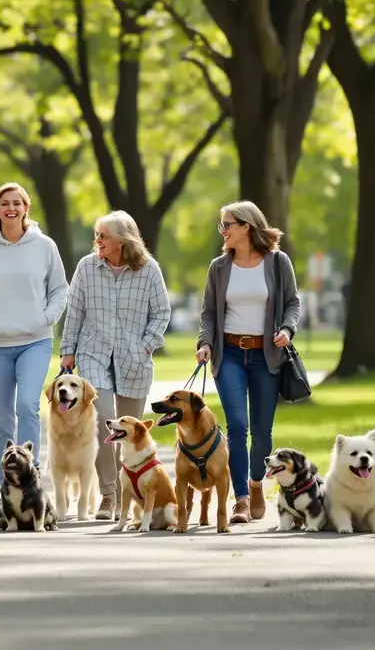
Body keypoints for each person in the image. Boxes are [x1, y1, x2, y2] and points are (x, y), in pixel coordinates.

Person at [0, 182, 67, 516]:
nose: (11, 208)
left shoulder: (44, 246)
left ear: (26, 208)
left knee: (28, 406)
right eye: (5, 203)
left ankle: (31, 485)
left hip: (35, 340)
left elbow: (59, 290)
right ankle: (6, 495)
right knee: (2, 417)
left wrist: (46, 318)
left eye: (17, 203)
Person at [60, 210, 170, 521]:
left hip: (134, 360)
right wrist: (68, 351)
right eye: (97, 235)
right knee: (102, 419)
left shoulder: (149, 271)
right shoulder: (86, 267)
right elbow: (75, 312)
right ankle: (108, 495)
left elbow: (161, 313)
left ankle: (129, 496)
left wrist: (146, 345)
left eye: (103, 236)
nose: (97, 241)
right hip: (92, 355)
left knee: (130, 432)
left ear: (121, 241)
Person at [196, 200, 301, 524]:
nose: (223, 231)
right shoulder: (219, 267)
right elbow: (209, 313)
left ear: (246, 227)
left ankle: (257, 483)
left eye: (227, 225)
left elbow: (292, 303)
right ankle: (241, 497)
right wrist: (205, 342)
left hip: (265, 356)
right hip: (228, 354)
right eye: (222, 225)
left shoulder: (277, 262)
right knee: (237, 427)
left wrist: (287, 329)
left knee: (262, 432)